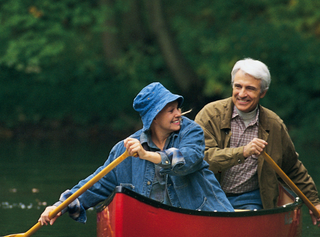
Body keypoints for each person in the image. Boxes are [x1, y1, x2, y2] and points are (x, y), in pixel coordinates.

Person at [39, 82, 234, 226]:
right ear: (154, 117)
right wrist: (61, 205)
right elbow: (96, 184)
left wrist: (147, 155)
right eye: (170, 110)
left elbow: (186, 159)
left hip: (206, 220)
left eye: (178, 108)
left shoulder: (191, 132)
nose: (178, 114)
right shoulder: (124, 150)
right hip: (155, 227)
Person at [195, 58, 320, 223]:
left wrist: (314, 202)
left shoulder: (274, 124)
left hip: (248, 199)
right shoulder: (209, 115)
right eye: (238, 86)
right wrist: (243, 152)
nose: (241, 94)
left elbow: (292, 167)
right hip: (206, 195)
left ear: (263, 92)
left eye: (250, 88)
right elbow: (200, 158)